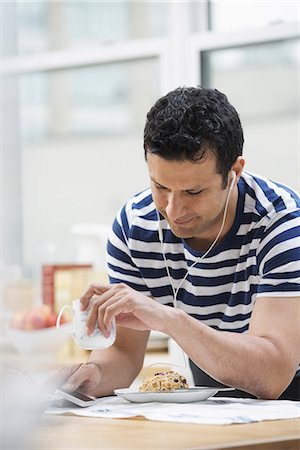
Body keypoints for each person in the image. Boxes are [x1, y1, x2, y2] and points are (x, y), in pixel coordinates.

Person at [49, 87, 300, 400]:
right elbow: (124, 355)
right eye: (160, 186)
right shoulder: (134, 227)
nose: (173, 210)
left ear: (234, 173)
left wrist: (166, 318)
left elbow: (272, 376)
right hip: (215, 405)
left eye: (193, 193)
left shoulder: (281, 221)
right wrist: (94, 375)